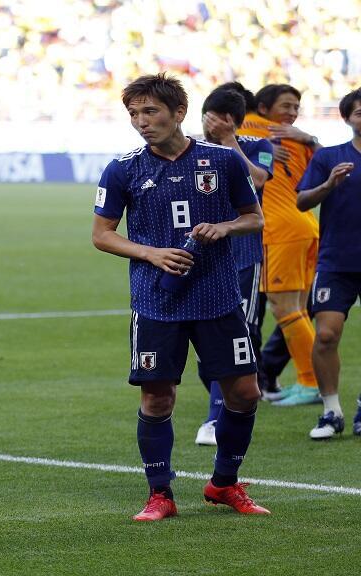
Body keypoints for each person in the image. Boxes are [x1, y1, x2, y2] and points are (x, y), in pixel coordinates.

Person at [91, 73, 268, 521]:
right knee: (157, 399)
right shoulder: (123, 168)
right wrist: (150, 252)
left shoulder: (222, 161)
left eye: (150, 111)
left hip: (218, 297)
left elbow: (255, 219)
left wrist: (224, 227)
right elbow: (102, 235)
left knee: (245, 392)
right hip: (157, 303)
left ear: (178, 113)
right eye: (133, 113)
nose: (140, 122)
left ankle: (224, 484)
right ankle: (160, 494)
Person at [194, 86, 274, 446]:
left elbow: (258, 180)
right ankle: (229, 396)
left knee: (241, 336)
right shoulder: (192, 150)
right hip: (204, 256)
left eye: (215, 119)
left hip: (244, 254)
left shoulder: (258, 146)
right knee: (204, 345)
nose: (209, 126)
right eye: (205, 118)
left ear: (230, 121)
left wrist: (230, 142)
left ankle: (214, 419)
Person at [238, 84, 322, 407]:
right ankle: (309, 381)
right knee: (298, 310)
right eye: (286, 105)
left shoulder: (246, 128)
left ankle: (312, 381)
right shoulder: (300, 139)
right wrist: (309, 138)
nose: (291, 112)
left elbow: (214, 137)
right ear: (264, 106)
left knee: (285, 310)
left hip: (280, 229)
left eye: (295, 107)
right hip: (305, 226)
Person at [295, 88, 361, 439]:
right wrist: (329, 183)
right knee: (325, 335)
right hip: (336, 261)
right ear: (348, 117)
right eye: (359, 112)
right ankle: (331, 411)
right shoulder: (330, 158)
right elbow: (302, 201)